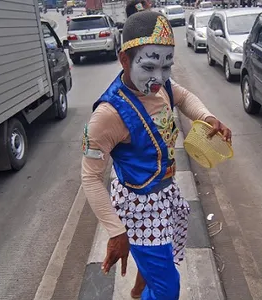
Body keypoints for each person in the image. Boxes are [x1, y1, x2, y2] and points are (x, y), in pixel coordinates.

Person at [81, 10, 232, 300]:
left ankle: (139, 289)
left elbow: (184, 97)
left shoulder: (161, 85)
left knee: (166, 255)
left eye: (167, 67)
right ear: (124, 59)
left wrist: (207, 117)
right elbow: (90, 176)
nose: (159, 78)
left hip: (165, 193)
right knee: (168, 288)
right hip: (138, 209)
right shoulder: (108, 115)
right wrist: (115, 231)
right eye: (149, 67)